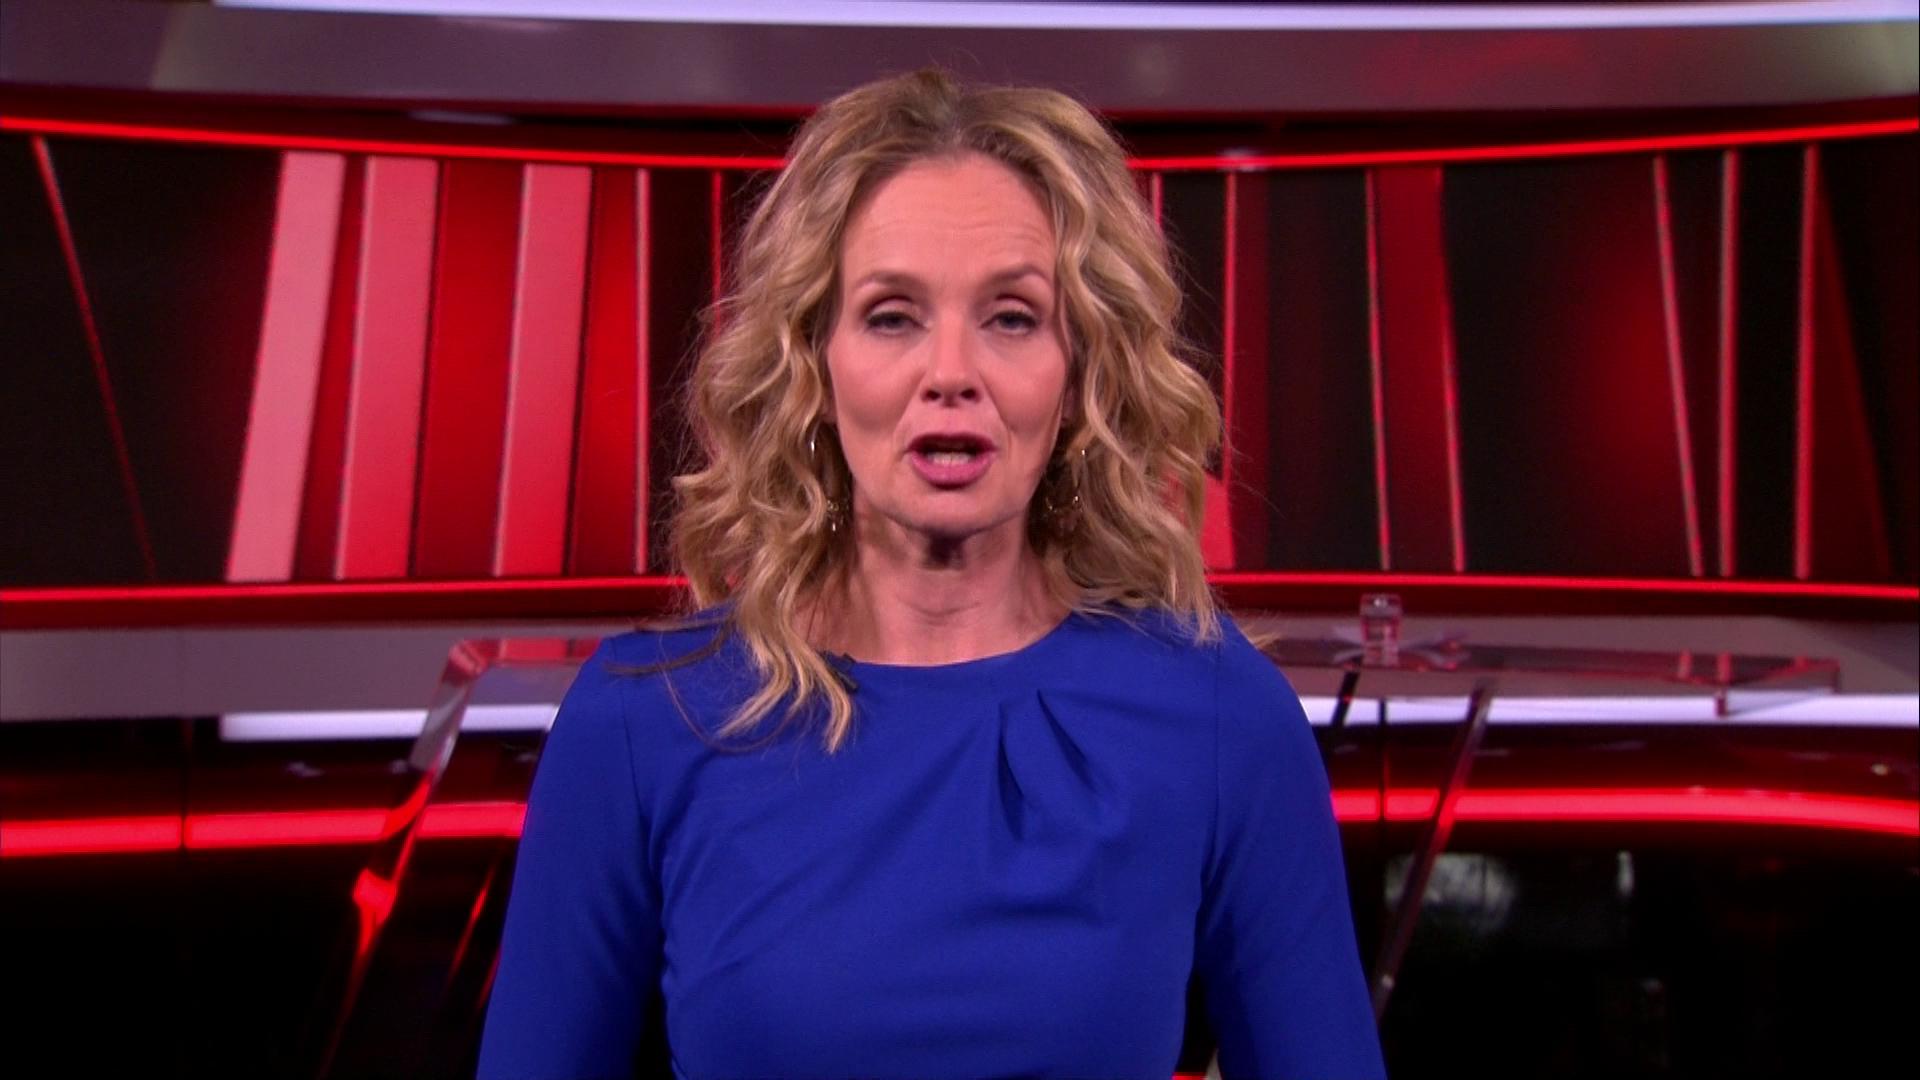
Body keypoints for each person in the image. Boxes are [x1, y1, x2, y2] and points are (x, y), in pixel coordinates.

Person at [477, 68, 1385, 1079]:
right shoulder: (642, 724)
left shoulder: (1220, 718)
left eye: (1012, 317)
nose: (951, 373)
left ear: (1080, 372)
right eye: (892, 316)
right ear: (813, 363)